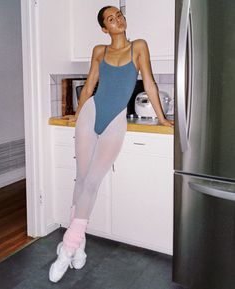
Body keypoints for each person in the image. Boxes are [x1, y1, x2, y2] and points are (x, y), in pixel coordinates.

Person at [49, 5, 174, 283]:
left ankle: (67, 247)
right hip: (91, 113)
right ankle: (78, 245)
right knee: (81, 179)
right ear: (104, 29)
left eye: (118, 15)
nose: (117, 20)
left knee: (92, 181)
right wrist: (78, 113)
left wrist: (163, 118)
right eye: (110, 19)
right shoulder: (99, 51)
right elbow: (91, 84)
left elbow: (150, 84)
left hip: (115, 119)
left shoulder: (138, 46)